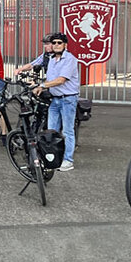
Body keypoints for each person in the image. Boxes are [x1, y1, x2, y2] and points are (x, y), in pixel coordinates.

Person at [32, 32, 79, 172]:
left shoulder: (70, 59)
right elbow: (50, 79)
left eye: (59, 43)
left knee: (67, 131)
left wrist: (43, 86)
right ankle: (52, 157)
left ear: (65, 45)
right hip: (55, 99)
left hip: (68, 99)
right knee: (51, 131)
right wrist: (39, 85)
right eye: (54, 43)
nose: (56, 45)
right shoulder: (52, 59)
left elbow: (61, 80)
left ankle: (68, 160)